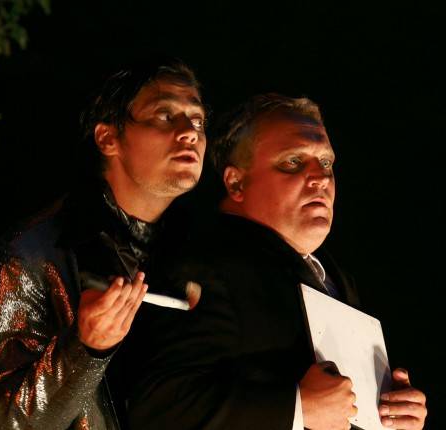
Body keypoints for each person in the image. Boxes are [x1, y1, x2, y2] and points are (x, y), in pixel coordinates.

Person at [126, 94, 427, 430]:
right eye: (293, 162)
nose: (320, 178)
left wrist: (393, 414)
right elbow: (158, 407)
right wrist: (297, 408)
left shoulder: (335, 278)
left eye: (326, 162)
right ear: (236, 182)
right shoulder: (205, 264)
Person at [0, 57, 207, 429]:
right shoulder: (31, 256)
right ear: (108, 138)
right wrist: (85, 349)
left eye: (198, 120)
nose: (189, 132)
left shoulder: (199, 256)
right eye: (164, 115)